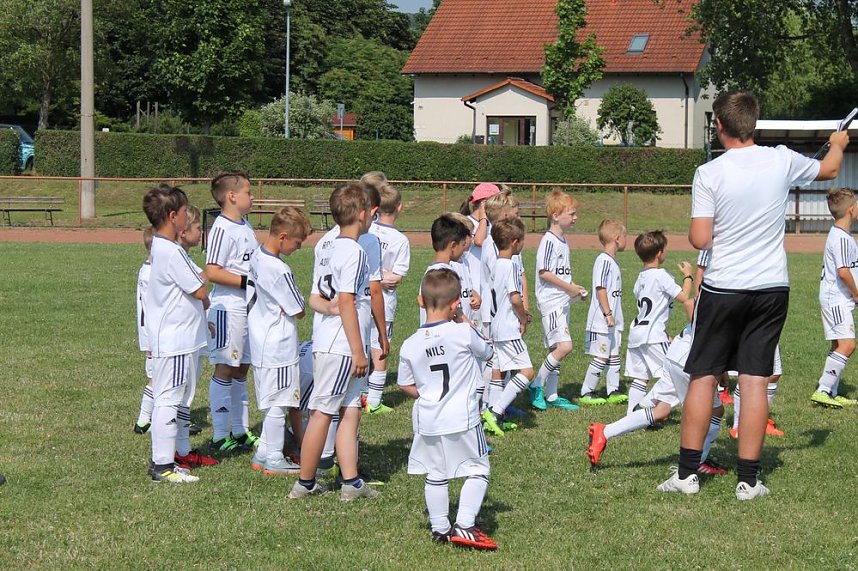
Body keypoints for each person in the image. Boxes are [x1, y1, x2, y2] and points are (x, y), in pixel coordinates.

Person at [659, 89, 849, 500]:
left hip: (724, 286)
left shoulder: (710, 172)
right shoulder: (780, 158)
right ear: (754, 124)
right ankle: (748, 480)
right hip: (770, 288)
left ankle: (687, 475)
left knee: (704, 377)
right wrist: (837, 144)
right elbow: (831, 169)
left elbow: (699, 237)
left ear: (720, 126)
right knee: (755, 379)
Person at [290, 181, 379, 501]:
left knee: (351, 407)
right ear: (360, 214)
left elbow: (315, 298)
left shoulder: (325, 247)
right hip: (341, 345)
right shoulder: (352, 251)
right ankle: (305, 481)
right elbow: (346, 302)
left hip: (332, 340)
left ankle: (351, 481)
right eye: (369, 210)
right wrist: (359, 351)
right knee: (323, 412)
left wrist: (328, 307)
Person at [398, 268, 497, 551]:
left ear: (420, 300)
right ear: (456, 304)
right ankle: (465, 525)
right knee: (478, 468)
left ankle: (440, 527)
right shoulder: (463, 332)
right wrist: (464, 319)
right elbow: (488, 352)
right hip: (462, 417)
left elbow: (405, 384)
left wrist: (429, 395)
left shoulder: (410, 345)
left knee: (436, 472)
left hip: (427, 418)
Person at [587, 322, 727, 476]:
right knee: (715, 411)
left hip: (676, 351)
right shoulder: (732, 302)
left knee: (661, 410)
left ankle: (604, 431)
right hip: (691, 358)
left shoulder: (711, 298)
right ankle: (699, 462)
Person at [142, 184, 209, 483]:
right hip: (176, 337)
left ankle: (166, 461)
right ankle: (163, 466)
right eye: (184, 213)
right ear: (173, 216)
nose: (187, 218)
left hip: (171, 335)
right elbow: (199, 289)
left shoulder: (160, 245)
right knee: (169, 398)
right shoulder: (172, 251)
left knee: (169, 397)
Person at [246, 207, 313, 476]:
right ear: (283, 236)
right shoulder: (279, 268)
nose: (298, 248)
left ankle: (263, 452)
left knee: (272, 397)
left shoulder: (257, 255)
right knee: (280, 401)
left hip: (260, 339)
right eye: (297, 242)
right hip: (278, 344)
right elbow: (298, 308)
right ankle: (274, 457)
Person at [205, 171, 259, 452]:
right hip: (228, 308)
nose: (253, 197)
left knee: (242, 368)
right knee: (226, 367)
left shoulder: (245, 225)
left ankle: (240, 430)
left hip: (248, 308)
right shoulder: (221, 229)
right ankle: (218, 435)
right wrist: (247, 281)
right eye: (249, 192)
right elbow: (212, 271)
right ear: (232, 196)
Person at [530, 190, 588, 411]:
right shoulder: (549, 241)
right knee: (564, 346)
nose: (575, 218)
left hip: (562, 301)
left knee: (556, 348)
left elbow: (561, 274)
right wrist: (569, 288)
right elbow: (544, 273)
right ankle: (536, 385)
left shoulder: (563, 241)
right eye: (571, 213)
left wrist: (575, 290)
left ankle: (552, 395)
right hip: (551, 302)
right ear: (555, 215)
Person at [624, 231, 694, 413]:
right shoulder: (661, 275)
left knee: (640, 377)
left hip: (637, 333)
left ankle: (632, 415)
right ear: (659, 253)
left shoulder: (640, 278)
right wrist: (688, 275)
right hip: (652, 335)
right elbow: (684, 297)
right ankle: (645, 405)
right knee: (674, 371)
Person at [481, 218, 533, 437]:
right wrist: (523, 318)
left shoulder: (497, 265)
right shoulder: (511, 265)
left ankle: (494, 418)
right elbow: (514, 298)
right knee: (528, 372)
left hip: (495, 325)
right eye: (522, 241)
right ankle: (495, 411)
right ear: (514, 242)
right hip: (508, 327)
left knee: (498, 371)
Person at [366, 182, 411, 414]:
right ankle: (373, 400)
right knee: (380, 347)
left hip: (363, 296)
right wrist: (383, 276)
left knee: (366, 345)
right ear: (399, 207)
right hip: (384, 300)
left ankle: (364, 395)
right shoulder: (400, 240)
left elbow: (394, 277)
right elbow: (396, 276)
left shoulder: (366, 230)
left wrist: (372, 276)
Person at [811, 187, 858, 408]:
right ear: (851, 210)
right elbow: (843, 271)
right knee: (848, 345)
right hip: (836, 298)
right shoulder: (840, 238)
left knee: (839, 344)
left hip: (838, 298)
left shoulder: (842, 235)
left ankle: (830, 392)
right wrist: (857, 294)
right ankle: (822, 389)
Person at [580, 220, 628, 406]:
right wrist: (608, 313)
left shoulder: (612, 261)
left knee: (614, 354)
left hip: (614, 320)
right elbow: (601, 289)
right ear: (617, 239)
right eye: (625, 236)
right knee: (601, 355)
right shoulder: (604, 261)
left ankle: (613, 390)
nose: (626, 240)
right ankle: (587, 391)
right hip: (602, 320)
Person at [418, 214, 472, 325]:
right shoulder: (444, 277)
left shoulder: (432, 273)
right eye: (462, 245)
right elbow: (457, 317)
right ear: (453, 246)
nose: (463, 250)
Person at [133, 226, 156, 435]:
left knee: (156, 378)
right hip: (152, 335)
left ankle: (147, 419)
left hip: (150, 334)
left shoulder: (146, 269)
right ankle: (143, 420)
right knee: (156, 379)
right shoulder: (150, 275)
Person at [460, 182, 500, 298]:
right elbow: (479, 241)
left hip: (488, 285)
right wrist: (483, 218)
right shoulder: (466, 222)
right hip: (472, 286)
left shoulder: (492, 224)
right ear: (484, 203)